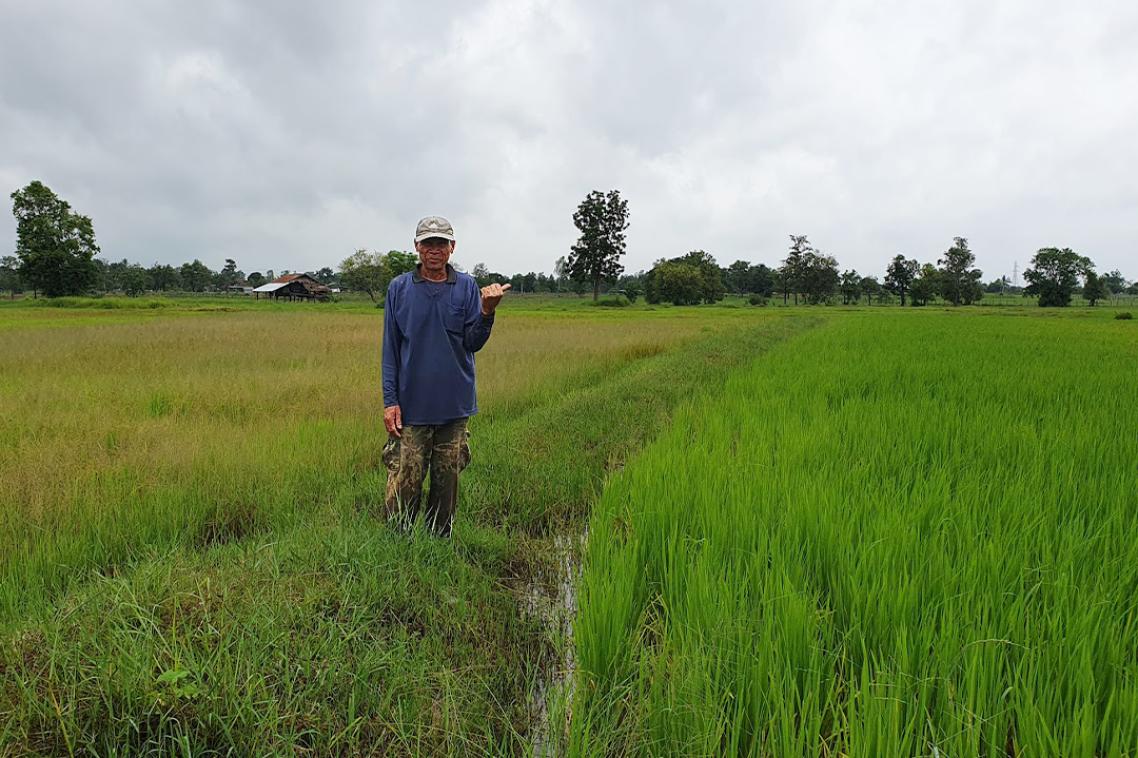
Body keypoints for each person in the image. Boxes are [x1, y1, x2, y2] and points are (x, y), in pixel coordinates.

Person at [381, 215, 509, 536]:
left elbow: (472, 342)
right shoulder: (399, 288)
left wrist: (487, 311)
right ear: (417, 247)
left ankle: (439, 541)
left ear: (452, 247)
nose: (434, 250)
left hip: (455, 405)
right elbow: (390, 350)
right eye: (427, 243)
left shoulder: (466, 287)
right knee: (406, 477)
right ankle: (400, 540)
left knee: (446, 479)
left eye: (441, 243)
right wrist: (390, 401)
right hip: (411, 407)